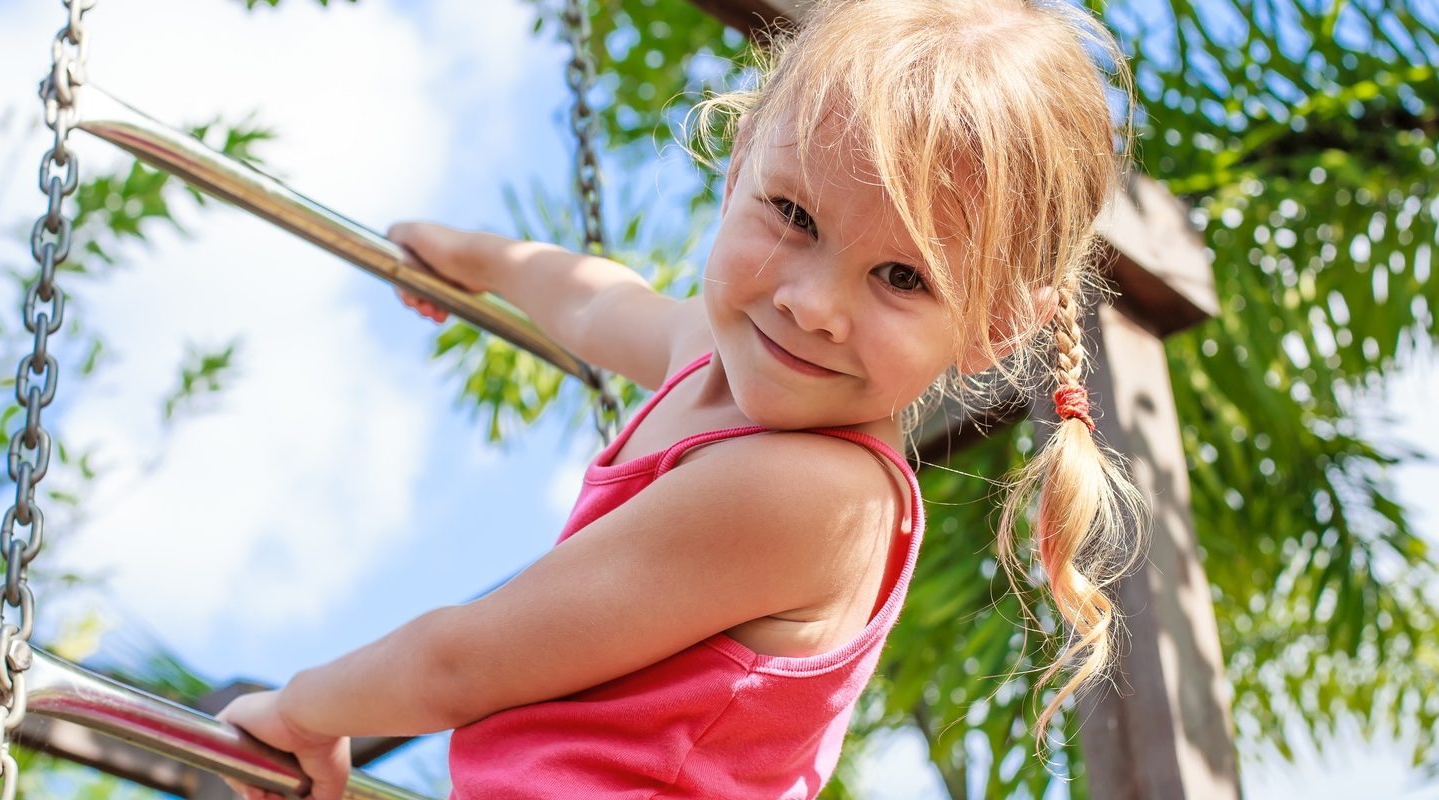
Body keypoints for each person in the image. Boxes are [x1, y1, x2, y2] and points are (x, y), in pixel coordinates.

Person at [219, 0, 1144, 797]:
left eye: (902, 276)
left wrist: (298, 711)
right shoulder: (711, 351)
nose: (811, 305)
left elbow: (460, 663)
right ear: (740, 166)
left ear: (994, 327)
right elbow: (596, 302)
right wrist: (480, 259)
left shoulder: (813, 496)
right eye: (794, 215)